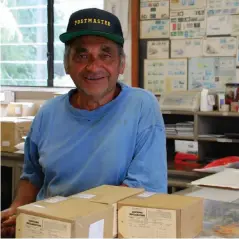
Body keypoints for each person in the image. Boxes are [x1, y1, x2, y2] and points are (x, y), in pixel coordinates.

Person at [1, 8, 167, 237]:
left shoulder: (141, 106)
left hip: (107, 231)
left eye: (105, 54)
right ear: (67, 64)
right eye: (81, 55)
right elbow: (32, 177)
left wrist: (63, 222)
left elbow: (139, 189)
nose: (93, 66)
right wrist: (17, 209)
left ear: (121, 65)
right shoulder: (48, 113)